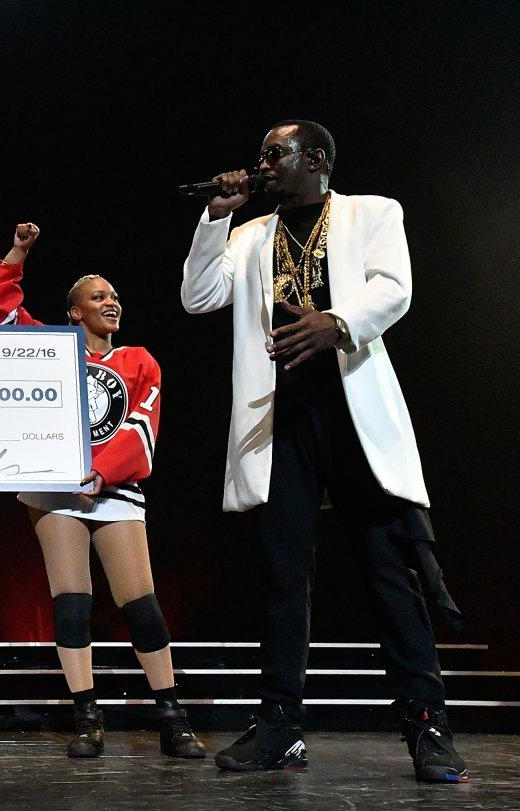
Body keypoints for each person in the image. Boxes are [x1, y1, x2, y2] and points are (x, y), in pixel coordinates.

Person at [181, 120, 468, 782]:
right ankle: (279, 725)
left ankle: (427, 724)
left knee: (387, 572)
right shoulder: (251, 234)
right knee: (282, 577)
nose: (260, 165)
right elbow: (198, 296)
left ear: (314, 159)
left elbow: (394, 288)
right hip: (281, 418)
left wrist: (336, 322)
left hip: (351, 410)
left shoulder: (372, 213)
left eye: (272, 154)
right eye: (258, 154)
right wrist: (213, 219)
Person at [0, 222, 204, 760]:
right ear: (74, 312)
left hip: (114, 489)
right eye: (98, 296)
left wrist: (103, 473)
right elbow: (0, 316)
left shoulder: (138, 361)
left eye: (115, 296)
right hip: (56, 494)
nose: (112, 302)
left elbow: (142, 426)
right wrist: (18, 252)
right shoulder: (49, 352)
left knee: (142, 605)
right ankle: (86, 716)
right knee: (72, 605)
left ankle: (170, 716)